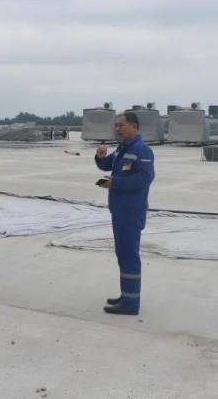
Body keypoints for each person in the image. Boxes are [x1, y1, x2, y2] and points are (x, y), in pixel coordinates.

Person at [95, 112, 155, 315]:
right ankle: (127, 295)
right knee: (122, 254)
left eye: (121, 125)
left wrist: (116, 183)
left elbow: (145, 178)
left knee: (129, 254)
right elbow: (107, 164)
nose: (117, 128)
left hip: (131, 211)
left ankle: (131, 304)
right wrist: (100, 157)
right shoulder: (123, 149)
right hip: (120, 210)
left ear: (134, 127)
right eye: (116, 125)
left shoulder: (142, 150)